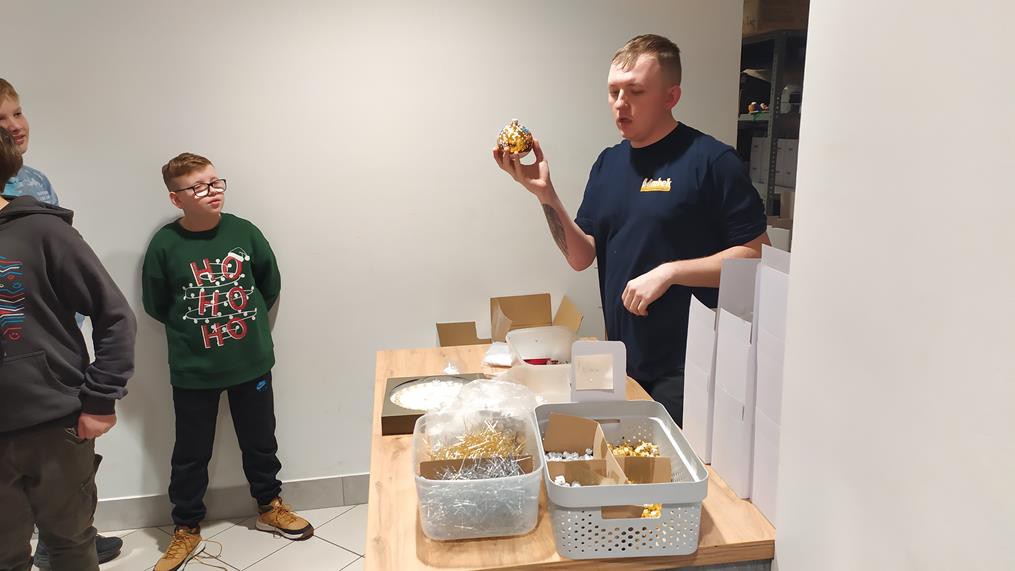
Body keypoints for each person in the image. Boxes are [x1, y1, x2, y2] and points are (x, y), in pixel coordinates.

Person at [493, 34, 769, 424]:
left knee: (676, 461)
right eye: (613, 92)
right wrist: (545, 194)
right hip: (623, 359)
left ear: (671, 96)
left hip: (690, 367)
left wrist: (670, 272)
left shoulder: (712, 162)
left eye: (635, 91)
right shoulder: (607, 164)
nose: (621, 103)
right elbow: (580, 256)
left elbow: (756, 257)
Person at [142, 152, 313, 571]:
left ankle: (269, 506)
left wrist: (242, 327)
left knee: (260, 439)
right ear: (176, 198)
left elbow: (269, 284)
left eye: (216, 182)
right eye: (198, 187)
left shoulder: (244, 232)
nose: (212, 192)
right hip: (194, 369)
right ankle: (186, 527)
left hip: (250, 362)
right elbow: (156, 304)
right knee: (190, 452)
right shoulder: (165, 244)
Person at [0, 128, 137, 571]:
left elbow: (114, 314)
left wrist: (101, 399)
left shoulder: (42, 231)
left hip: (55, 426)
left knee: (69, 545)